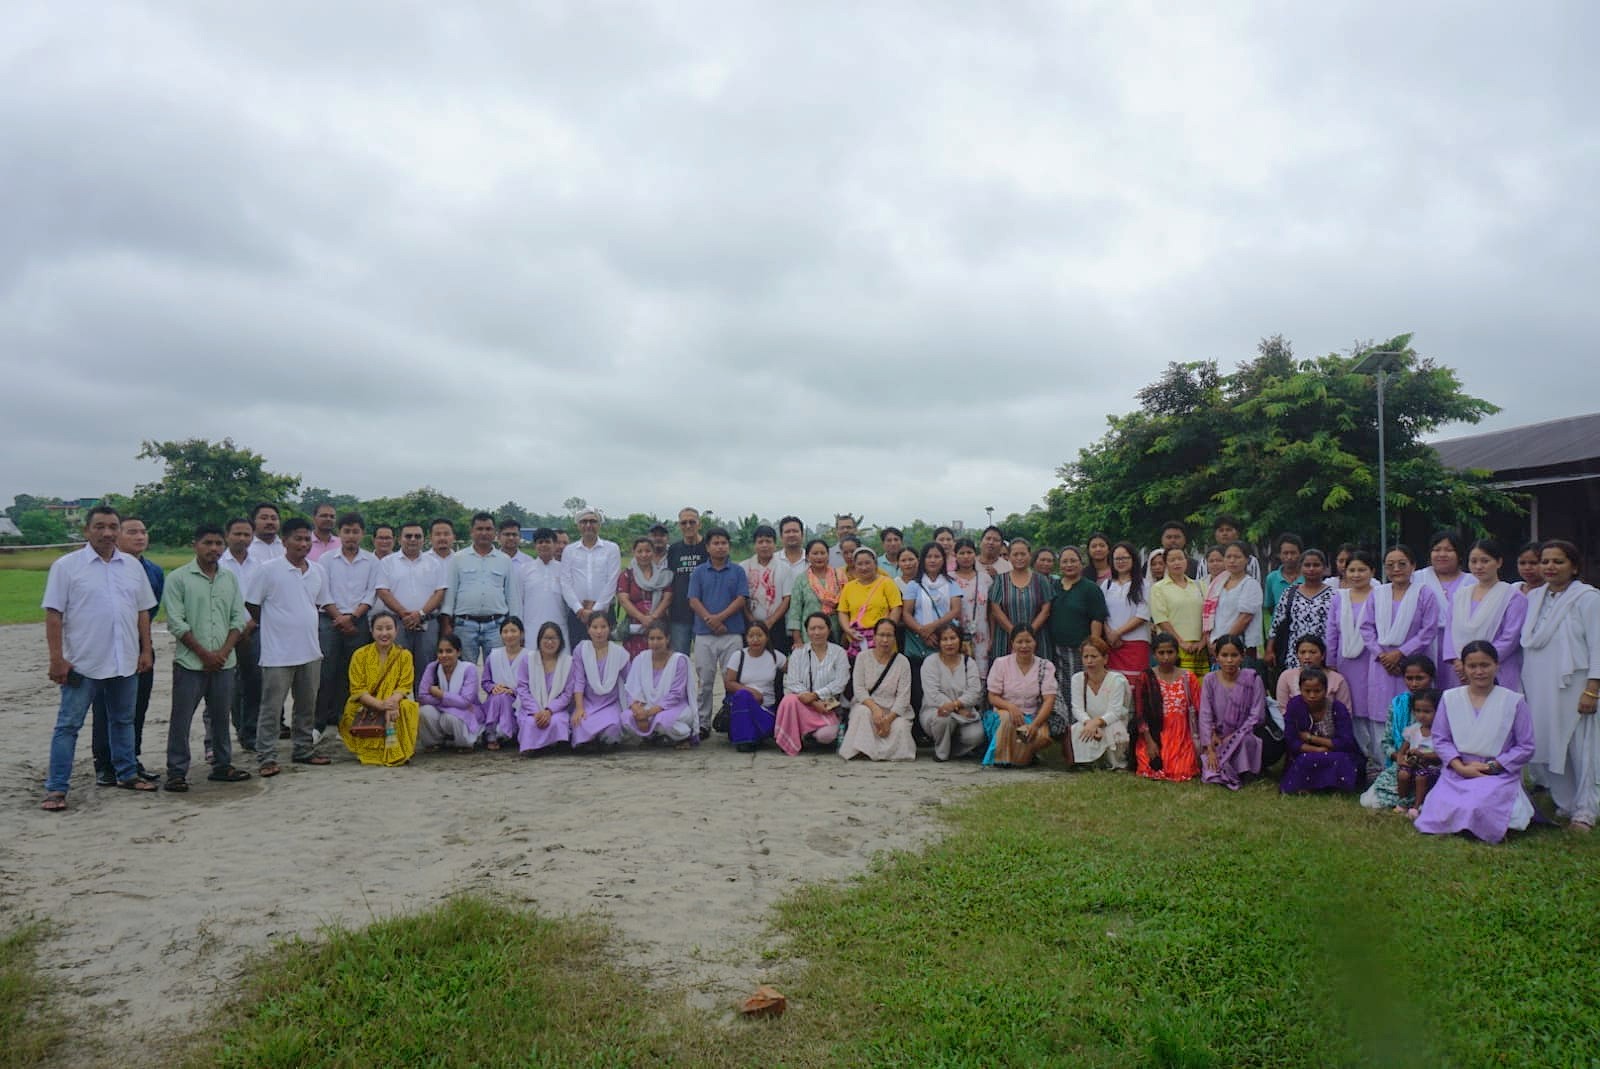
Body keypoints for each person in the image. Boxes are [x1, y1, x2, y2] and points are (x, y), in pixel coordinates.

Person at [39, 505, 158, 810]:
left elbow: (142, 612)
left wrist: (145, 650)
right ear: (87, 531)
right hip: (83, 662)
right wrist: (56, 659)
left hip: (125, 660)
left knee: (123, 720)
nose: (107, 533)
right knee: (68, 726)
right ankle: (56, 788)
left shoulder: (132, 567)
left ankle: (126, 773)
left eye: (113, 527)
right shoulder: (67, 566)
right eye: (100, 527)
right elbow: (54, 614)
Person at [1415, 641, 1537, 843]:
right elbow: (1441, 738)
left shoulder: (1514, 701)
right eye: (1472, 666)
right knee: (1445, 804)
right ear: (1463, 668)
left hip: (1496, 773)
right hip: (1457, 771)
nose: (1479, 672)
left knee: (1476, 803)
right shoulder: (1450, 698)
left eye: (1485, 665)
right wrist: (1460, 767)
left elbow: (1526, 746)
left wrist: (1491, 767)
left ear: (1496, 665)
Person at [161, 524, 251, 791]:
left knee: (221, 716)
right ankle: (177, 771)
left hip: (224, 662)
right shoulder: (178, 578)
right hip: (190, 663)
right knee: (182, 718)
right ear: (195, 545)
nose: (214, 548)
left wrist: (223, 653)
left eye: (218, 543)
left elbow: (237, 618)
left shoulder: (229, 579)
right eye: (207, 543)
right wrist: (204, 654)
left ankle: (222, 765)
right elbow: (176, 622)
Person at [1521, 540, 1600, 832]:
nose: (1550, 567)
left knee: (1581, 748)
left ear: (1574, 567)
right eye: (1545, 561)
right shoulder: (1534, 598)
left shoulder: (1588, 598)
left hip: (1576, 685)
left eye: (1558, 561)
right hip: (1540, 685)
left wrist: (1592, 689)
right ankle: (1565, 802)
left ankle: (1586, 810)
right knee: (1550, 743)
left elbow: (1597, 645)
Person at [245, 518, 332, 776]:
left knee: (306, 705)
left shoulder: (317, 571)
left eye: (307, 539)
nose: (303, 544)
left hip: (310, 650)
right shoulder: (268, 570)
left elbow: (320, 603)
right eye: (297, 538)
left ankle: (303, 749)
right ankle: (267, 756)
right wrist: (275, 625)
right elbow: (252, 604)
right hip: (278, 653)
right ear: (285, 541)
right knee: (271, 707)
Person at [1365, 545, 1443, 773]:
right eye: (1390, 565)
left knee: (1415, 712)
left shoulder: (1425, 594)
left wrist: (1400, 654)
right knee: (1381, 714)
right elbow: (1366, 627)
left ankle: (1416, 765)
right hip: (1381, 665)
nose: (1396, 569)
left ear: (1413, 566)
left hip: (1413, 665)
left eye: (1402, 564)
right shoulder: (1377, 594)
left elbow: (1428, 630)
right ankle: (1384, 765)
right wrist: (1382, 655)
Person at [106, 516, 164, 781]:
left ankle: (132, 757)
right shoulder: (108, 567)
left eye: (143, 531)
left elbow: (150, 610)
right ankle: (105, 763)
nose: (140, 537)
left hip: (140, 642)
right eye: (132, 532)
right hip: (108, 643)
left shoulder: (154, 571)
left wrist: (144, 646)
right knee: (107, 708)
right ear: (117, 535)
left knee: (137, 705)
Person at [314, 512, 379, 736]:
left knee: (353, 673)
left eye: (355, 532)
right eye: (347, 531)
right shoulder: (326, 560)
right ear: (339, 533)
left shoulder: (371, 561)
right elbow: (322, 591)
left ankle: (348, 721)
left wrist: (352, 618)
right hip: (329, 620)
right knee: (326, 672)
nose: (351, 536)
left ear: (362, 534)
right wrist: (339, 617)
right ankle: (318, 723)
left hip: (358, 622)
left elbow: (371, 593)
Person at [1444, 539, 1527, 695]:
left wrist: (1478, 663)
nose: (1478, 566)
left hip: (1498, 667)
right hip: (1461, 670)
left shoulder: (1513, 597)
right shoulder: (1460, 595)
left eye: (1485, 561)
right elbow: (1449, 630)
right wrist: (1458, 661)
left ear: (1499, 562)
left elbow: (1510, 638)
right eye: (1473, 561)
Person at [338, 611, 420, 767]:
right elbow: (358, 690)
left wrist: (392, 703)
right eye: (379, 629)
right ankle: (368, 750)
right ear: (372, 631)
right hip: (366, 702)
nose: (384, 633)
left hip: (393, 702)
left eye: (389, 628)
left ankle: (397, 751)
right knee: (351, 709)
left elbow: (404, 686)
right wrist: (380, 705)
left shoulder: (404, 655)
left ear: (396, 630)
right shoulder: (360, 655)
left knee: (407, 707)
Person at [688, 527, 749, 736]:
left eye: (724, 543)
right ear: (707, 547)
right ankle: (703, 723)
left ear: (729, 546)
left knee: (731, 680)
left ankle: (731, 721)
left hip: (731, 634)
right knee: (705, 681)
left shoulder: (738, 571)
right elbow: (693, 600)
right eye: (716, 543)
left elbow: (741, 599)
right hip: (704, 635)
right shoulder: (699, 572)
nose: (720, 547)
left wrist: (719, 619)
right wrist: (710, 620)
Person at [375, 521, 448, 693]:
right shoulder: (387, 562)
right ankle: (396, 707)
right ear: (400, 539)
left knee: (426, 669)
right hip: (397, 624)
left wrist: (420, 614)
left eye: (417, 536)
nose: (413, 539)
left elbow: (439, 592)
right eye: (408, 536)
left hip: (427, 623)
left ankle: (422, 706)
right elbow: (382, 591)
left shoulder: (434, 563)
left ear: (424, 539)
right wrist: (404, 614)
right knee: (395, 667)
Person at [1326, 550, 1383, 765]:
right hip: (1346, 661)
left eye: (1362, 570)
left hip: (1374, 659)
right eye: (1352, 570)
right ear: (1345, 572)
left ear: (1372, 571)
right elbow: (1331, 632)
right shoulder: (1339, 598)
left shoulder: (1381, 595)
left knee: (1374, 704)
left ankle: (1378, 756)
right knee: (1352, 705)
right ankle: (1360, 755)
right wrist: (1331, 662)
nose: (1356, 575)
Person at [1360, 655, 1437, 811]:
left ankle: (1418, 802)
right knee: (1370, 801)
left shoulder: (1441, 702)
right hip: (1403, 765)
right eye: (1409, 678)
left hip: (1433, 765)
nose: (1414, 684)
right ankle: (1407, 802)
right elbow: (1386, 741)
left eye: (1419, 678)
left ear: (1431, 678)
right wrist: (1399, 758)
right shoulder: (1397, 704)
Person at [445, 512, 523, 664]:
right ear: (472, 532)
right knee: (465, 670)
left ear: (495, 533)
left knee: (497, 669)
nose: (484, 533)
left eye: (488, 529)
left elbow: (512, 595)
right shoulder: (458, 558)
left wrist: (515, 625)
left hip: (496, 626)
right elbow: (451, 593)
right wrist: (447, 624)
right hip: (464, 625)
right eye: (479, 529)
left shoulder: (504, 560)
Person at [982, 624, 1059, 767]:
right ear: (1012, 643)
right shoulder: (1001, 664)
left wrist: (1035, 725)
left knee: (1041, 737)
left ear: (1035, 642)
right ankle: (1001, 759)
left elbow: (1049, 700)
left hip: (1031, 717)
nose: (1024, 646)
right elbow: (992, 697)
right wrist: (1010, 708)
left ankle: (1020, 757)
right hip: (1002, 715)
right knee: (1007, 720)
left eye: (1028, 641)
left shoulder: (1045, 666)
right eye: (1019, 642)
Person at [838, 618, 914, 761]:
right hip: (868, 705)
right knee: (862, 712)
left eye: (889, 635)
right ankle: (863, 750)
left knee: (900, 727)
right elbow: (859, 689)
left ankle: (883, 753)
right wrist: (875, 709)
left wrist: (888, 719)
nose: (885, 640)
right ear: (874, 636)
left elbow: (903, 697)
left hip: (893, 711)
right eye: (881, 635)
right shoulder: (862, 657)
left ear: (895, 638)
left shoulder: (903, 662)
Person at [1047, 546, 1109, 719]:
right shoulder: (1054, 587)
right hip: (1057, 649)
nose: (1069, 565)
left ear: (1081, 563)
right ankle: (1067, 726)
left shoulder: (1090, 588)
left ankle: (1082, 724)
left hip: (1080, 650)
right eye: (1065, 561)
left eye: (1073, 561)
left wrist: (1092, 648)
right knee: (1062, 690)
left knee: (1081, 689)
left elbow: (1097, 618)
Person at [774, 612, 849, 754]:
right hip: (803, 703)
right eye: (812, 628)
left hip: (828, 704)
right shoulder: (798, 653)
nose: (817, 632)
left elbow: (840, 682)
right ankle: (793, 739)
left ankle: (809, 734)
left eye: (821, 628)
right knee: (789, 700)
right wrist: (813, 701)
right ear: (807, 631)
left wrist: (816, 695)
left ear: (829, 629)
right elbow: (792, 682)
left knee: (826, 736)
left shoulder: (839, 653)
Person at [219, 517, 264, 754]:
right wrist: (234, 628)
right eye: (237, 534)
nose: (242, 539)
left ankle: (250, 732)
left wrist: (251, 624)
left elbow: (264, 598)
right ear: (227, 535)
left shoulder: (259, 565)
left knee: (254, 682)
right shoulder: (218, 563)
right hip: (223, 631)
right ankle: (221, 737)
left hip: (253, 629)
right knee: (225, 684)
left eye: (247, 534)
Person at [1198, 635, 1266, 790]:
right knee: (1210, 765)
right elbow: (1205, 714)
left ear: (1242, 656)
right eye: (1224, 655)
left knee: (1245, 741)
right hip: (1217, 737)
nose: (1229, 660)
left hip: (1244, 734)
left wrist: (1235, 735)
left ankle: (1243, 772)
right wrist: (1210, 745)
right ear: (1216, 657)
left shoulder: (1253, 679)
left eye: (1234, 655)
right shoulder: (1210, 680)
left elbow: (1257, 715)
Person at [1279, 668, 1361, 795]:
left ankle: (1335, 787)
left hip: (1336, 752)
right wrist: (1317, 750)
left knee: (1341, 760)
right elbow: (1292, 740)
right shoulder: (1294, 706)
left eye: (1317, 691)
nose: (1312, 695)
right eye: (1307, 691)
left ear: (1326, 690)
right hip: (1305, 753)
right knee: (1305, 760)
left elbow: (1346, 742)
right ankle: (1307, 787)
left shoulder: (1337, 708)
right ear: (1300, 690)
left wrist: (1312, 738)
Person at [1131, 634, 1201, 781]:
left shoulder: (1188, 678)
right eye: (1161, 653)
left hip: (1182, 735)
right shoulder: (1145, 677)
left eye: (1170, 652)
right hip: (1154, 734)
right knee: (1149, 767)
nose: (1166, 657)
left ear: (1177, 653)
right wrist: (1149, 742)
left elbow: (1200, 709)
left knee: (1182, 770)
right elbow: (1140, 713)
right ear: (1154, 654)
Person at [918, 622, 984, 761]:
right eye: (944, 639)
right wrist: (956, 710)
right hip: (936, 711)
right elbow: (933, 694)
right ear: (939, 642)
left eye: (953, 638)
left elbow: (974, 692)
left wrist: (955, 705)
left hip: (965, 712)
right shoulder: (930, 662)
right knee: (943, 720)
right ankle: (941, 753)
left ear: (959, 639)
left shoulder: (969, 663)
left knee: (976, 736)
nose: (949, 643)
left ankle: (953, 750)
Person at [624, 622, 697, 747]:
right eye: (651, 639)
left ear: (667, 639)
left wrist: (648, 713)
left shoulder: (679, 661)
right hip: (646, 706)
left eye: (659, 638)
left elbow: (676, 695)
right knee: (626, 718)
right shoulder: (640, 659)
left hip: (674, 707)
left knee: (662, 721)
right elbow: (631, 689)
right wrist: (638, 710)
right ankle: (653, 737)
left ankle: (682, 736)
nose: (655, 643)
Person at [558, 508, 620, 652]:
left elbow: (612, 581)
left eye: (592, 521)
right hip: (577, 614)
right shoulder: (569, 550)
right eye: (584, 522)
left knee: (604, 654)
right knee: (578, 654)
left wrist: (595, 610)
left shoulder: (611, 549)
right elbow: (565, 582)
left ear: (599, 524)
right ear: (578, 525)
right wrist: (578, 609)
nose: (588, 525)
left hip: (604, 612)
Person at [1416, 530, 1470, 688]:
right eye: (1437, 549)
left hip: (1459, 645)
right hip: (1425, 643)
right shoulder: (1417, 578)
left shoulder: (1472, 581)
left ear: (1459, 554)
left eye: (1448, 550)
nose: (1442, 554)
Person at [1067, 635, 1131, 770]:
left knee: (1115, 731)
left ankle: (1114, 763)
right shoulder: (1077, 679)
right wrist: (1088, 723)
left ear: (1105, 659)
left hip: (1111, 722)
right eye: (1086, 657)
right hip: (1088, 722)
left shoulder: (1117, 680)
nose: (1089, 661)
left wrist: (1096, 723)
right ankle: (1087, 762)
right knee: (1078, 729)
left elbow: (1115, 712)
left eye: (1094, 656)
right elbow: (1077, 708)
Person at [724, 621, 787, 753]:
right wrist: (751, 692)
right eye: (751, 636)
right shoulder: (738, 656)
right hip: (743, 705)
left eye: (759, 635)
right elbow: (729, 682)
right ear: (746, 638)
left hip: (766, 708)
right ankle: (745, 740)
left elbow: (794, 672)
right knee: (742, 696)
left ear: (767, 637)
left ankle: (752, 735)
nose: (755, 639)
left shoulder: (775, 656)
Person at [1267, 548, 1335, 671]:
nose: (1311, 569)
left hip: (1324, 655)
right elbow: (1276, 623)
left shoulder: (1334, 595)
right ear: (1300, 568)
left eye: (1316, 565)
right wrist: (1269, 649)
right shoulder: (1290, 593)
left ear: (1324, 568)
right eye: (1307, 565)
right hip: (1295, 655)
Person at [569, 613, 628, 751]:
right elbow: (579, 681)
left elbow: (629, 682)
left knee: (613, 726)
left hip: (610, 703)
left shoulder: (619, 653)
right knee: (580, 723)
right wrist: (579, 707)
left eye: (603, 627)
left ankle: (605, 742)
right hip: (588, 702)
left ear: (610, 628)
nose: (599, 631)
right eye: (595, 627)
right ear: (588, 629)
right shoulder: (581, 649)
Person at [988, 537, 1052, 663]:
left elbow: (1046, 610)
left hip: (1036, 638)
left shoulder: (1041, 580)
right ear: (1009, 557)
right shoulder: (1000, 580)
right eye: (1015, 554)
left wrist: (1029, 634)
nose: (1019, 558)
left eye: (1023, 554)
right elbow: (995, 609)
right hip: (1006, 639)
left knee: (1037, 672)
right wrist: (1015, 633)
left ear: (1030, 555)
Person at [515, 622, 573, 755]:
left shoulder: (568, 663)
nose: (550, 642)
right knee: (531, 722)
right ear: (539, 640)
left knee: (557, 721)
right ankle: (533, 748)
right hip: (531, 708)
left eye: (554, 638)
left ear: (560, 641)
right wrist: (536, 711)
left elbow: (567, 694)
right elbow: (522, 689)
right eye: (546, 638)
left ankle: (554, 746)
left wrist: (549, 710)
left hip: (557, 710)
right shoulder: (528, 660)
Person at [418, 633, 480, 752]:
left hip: (464, 712)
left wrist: (440, 694)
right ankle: (434, 742)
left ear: (458, 652)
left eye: (449, 651)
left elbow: (466, 701)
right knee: (425, 711)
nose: (444, 655)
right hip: (443, 710)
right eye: (440, 651)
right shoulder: (432, 667)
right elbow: (422, 696)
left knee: (452, 716)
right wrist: (449, 702)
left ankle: (464, 744)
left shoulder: (469, 669)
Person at [1150, 545, 1206, 675]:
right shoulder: (1158, 588)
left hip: (1199, 648)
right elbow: (1161, 619)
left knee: (1198, 684)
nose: (1177, 563)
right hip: (1172, 647)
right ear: (1166, 564)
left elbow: (1208, 615)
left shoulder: (1199, 585)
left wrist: (1203, 641)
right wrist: (1180, 642)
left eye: (1180, 558)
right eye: (1172, 560)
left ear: (1186, 561)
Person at [837, 546, 902, 658]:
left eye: (867, 563)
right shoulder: (849, 587)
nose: (864, 567)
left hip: (883, 640)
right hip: (857, 640)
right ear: (854, 566)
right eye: (859, 564)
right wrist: (848, 630)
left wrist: (887, 631)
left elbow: (896, 607)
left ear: (875, 564)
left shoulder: (887, 583)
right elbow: (843, 611)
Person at [901, 543, 962, 660]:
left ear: (943, 559)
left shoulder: (952, 583)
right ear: (922, 560)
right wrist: (922, 632)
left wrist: (932, 627)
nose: (933, 560)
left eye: (937, 556)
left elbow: (955, 610)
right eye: (928, 557)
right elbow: (906, 614)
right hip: (920, 639)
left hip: (947, 638)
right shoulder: (914, 585)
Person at [1099, 542, 1148, 682]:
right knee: (1113, 684)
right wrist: (1109, 634)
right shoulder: (1107, 585)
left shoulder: (1144, 584)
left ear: (1133, 559)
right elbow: (1101, 613)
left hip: (1136, 643)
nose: (1121, 562)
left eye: (1125, 558)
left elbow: (1142, 615)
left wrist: (1118, 633)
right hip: (1112, 645)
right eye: (1117, 559)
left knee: (1136, 685)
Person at [616, 537, 672, 657]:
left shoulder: (663, 574)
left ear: (653, 552)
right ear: (633, 552)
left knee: (658, 660)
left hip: (658, 626)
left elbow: (667, 598)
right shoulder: (627, 575)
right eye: (639, 551)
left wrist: (653, 617)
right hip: (635, 627)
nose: (644, 555)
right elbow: (623, 600)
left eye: (648, 551)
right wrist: (642, 618)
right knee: (635, 663)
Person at [479, 616, 529, 749]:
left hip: (519, 699)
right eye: (505, 631)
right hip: (496, 698)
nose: (509, 635)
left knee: (504, 698)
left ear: (521, 633)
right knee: (499, 697)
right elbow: (485, 681)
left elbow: (534, 684)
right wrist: (493, 687)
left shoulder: (529, 657)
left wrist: (513, 691)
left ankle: (496, 734)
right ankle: (496, 733)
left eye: (513, 631)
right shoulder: (494, 655)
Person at [1392, 689, 1443, 817]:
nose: (1421, 715)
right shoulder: (1413, 730)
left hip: (1432, 767)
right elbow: (1402, 751)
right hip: (1413, 765)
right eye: (1417, 711)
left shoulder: (1440, 732)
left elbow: (1440, 756)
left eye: (1427, 711)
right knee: (1403, 774)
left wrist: (1422, 755)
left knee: (1421, 776)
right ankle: (1402, 802)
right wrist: (1401, 760)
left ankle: (1417, 806)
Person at [1208, 542, 1264, 658]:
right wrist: (1211, 641)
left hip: (1240, 646)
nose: (1232, 561)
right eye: (1228, 557)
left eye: (1237, 557)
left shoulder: (1250, 584)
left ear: (1246, 560)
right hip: (1216, 643)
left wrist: (1224, 643)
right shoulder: (1217, 584)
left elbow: (1245, 618)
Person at [742, 525, 792, 652]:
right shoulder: (744, 567)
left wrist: (770, 621)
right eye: (760, 542)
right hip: (750, 623)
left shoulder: (785, 568)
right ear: (754, 545)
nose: (764, 545)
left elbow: (787, 599)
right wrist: (752, 621)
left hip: (776, 624)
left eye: (768, 541)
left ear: (775, 544)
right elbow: (741, 598)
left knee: (777, 658)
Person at [665, 507, 708, 654]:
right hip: (679, 614)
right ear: (679, 525)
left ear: (699, 524)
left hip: (705, 614)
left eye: (692, 522)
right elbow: (669, 580)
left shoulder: (709, 547)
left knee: (704, 661)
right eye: (684, 523)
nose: (688, 526)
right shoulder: (674, 550)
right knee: (679, 659)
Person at [787, 539, 844, 649]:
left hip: (836, 631)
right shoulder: (801, 580)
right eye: (815, 553)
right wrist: (797, 640)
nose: (819, 557)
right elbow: (795, 611)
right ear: (807, 557)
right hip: (810, 634)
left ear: (828, 555)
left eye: (822, 553)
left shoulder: (839, 577)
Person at [1274, 635, 1354, 712]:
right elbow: (1282, 709)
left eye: (1312, 652)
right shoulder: (1286, 676)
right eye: (1302, 652)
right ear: (1297, 655)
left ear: (1322, 655)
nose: (1307, 657)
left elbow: (1346, 711)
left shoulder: (1337, 679)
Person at [949, 538, 992, 672]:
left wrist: (992, 637)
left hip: (982, 633)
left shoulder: (986, 579)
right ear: (955, 556)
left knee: (980, 673)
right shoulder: (949, 579)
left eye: (969, 552)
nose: (966, 556)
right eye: (961, 553)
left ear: (975, 554)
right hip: (955, 635)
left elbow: (992, 611)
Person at [769, 517, 810, 654]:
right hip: (776, 623)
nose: (791, 534)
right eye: (787, 532)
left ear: (802, 534)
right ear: (781, 536)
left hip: (806, 623)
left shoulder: (812, 560)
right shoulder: (772, 560)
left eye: (795, 531)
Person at [517, 528, 566, 638]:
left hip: (559, 628)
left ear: (555, 545)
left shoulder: (564, 570)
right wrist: (519, 629)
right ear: (535, 545)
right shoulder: (524, 570)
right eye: (540, 542)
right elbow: (519, 602)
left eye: (547, 542)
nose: (544, 545)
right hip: (531, 629)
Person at [1261, 533, 1303, 656]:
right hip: (1278, 634)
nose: (1289, 557)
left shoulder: (1307, 577)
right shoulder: (1272, 578)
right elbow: (1270, 607)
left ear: (1300, 554)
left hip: (1303, 631)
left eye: (1293, 553)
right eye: (1285, 553)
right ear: (1279, 555)